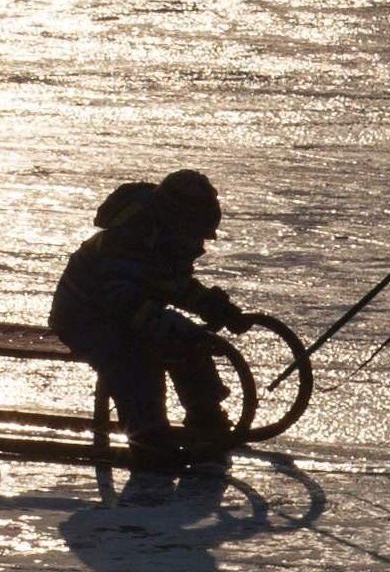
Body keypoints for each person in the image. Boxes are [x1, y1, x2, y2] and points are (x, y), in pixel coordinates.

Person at [49, 170, 250, 469]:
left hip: (124, 313)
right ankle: (148, 436)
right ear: (179, 221)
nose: (199, 243)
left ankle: (205, 415)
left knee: (188, 343)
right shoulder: (129, 238)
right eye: (196, 233)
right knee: (134, 359)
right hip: (83, 318)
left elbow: (172, 284)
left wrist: (210, 306)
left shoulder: (166, 241)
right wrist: (163, 326)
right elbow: (120, 300)